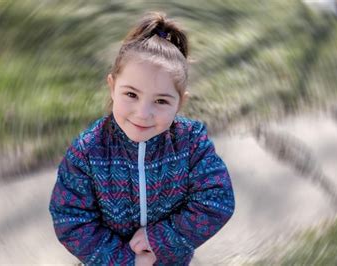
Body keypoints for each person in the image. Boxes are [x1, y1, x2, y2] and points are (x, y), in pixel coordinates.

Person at [49, 11, 235, 265]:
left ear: (180, 103)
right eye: (131, 95)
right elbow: (70, 218)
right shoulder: (88, 151)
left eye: (161, 101)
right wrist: (126, 261)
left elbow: (217, 200)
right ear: (113, 87)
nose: (143, 113)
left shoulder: (191, 143)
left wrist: (160, 239)